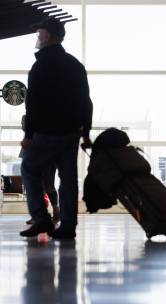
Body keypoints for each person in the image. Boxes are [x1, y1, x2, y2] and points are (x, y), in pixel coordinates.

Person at [20, 17, 93, 240]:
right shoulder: (75, 65)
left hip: (46, 133)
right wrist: (86, 133)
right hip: (71, 132)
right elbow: (86, 101)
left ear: (48, 36)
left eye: (39, 33)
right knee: (68, 178)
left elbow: (32, 102)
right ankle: (68, 226)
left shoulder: (40, 65)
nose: (37, 38)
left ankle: (42, 219)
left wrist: (28, 135)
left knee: (30, 170)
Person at [19, 114, 60, 225]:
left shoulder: (31, 120)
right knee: (49, 185)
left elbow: (26, 132)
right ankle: (56, 210)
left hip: (36, 155)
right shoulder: (50, 122)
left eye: (22, 123)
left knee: (36, 187)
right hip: (51, 156)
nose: (22, 125)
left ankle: (39, 216)